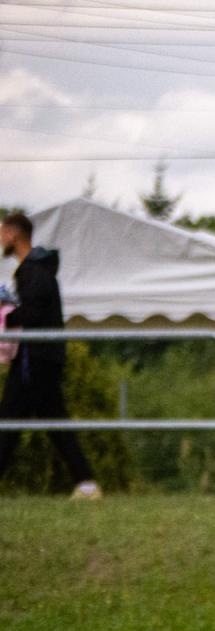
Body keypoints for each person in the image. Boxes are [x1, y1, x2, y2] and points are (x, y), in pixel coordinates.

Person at [0, 212, 100, 499]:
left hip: (35, 359)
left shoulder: (33, 272)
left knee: (8, 419)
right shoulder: (37, 269)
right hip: (43, 358)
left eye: (2, 233)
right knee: (56, 423)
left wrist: (7, 312)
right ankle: (87, 483)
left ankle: (87, 483)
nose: (1, 240)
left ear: (14, 234)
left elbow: (34, 312)